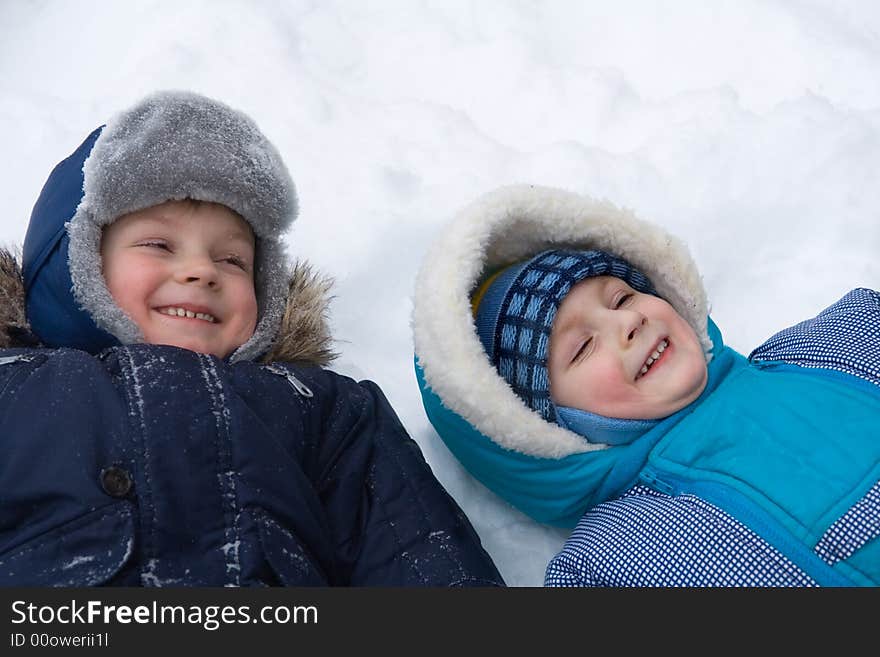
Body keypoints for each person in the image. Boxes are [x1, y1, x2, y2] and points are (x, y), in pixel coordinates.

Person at [0, 90, 504, 587]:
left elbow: (415, 551)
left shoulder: (324, 409)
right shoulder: (15, 389)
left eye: (233, 260)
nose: (201, 270)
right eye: (158, 244)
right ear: (75, 262)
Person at [413, 183, 880, 586]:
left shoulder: (830, 347)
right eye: (582, 348)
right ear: (538, 429)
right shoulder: (612, 555)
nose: (627, 323)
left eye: (621, 296)